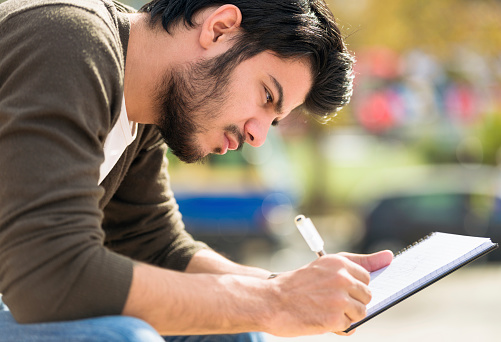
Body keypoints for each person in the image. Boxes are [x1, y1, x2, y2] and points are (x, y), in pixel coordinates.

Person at [0, 0, 394, 341]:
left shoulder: (145, 107)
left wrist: (291, 289)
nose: (257, 135)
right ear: (220, 29)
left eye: (272, 121)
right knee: (122, 338)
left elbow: (155, 246)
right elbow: (49, 271)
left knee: (233, 328)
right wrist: (275, 304)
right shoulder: (71, 39)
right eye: (266, 96)